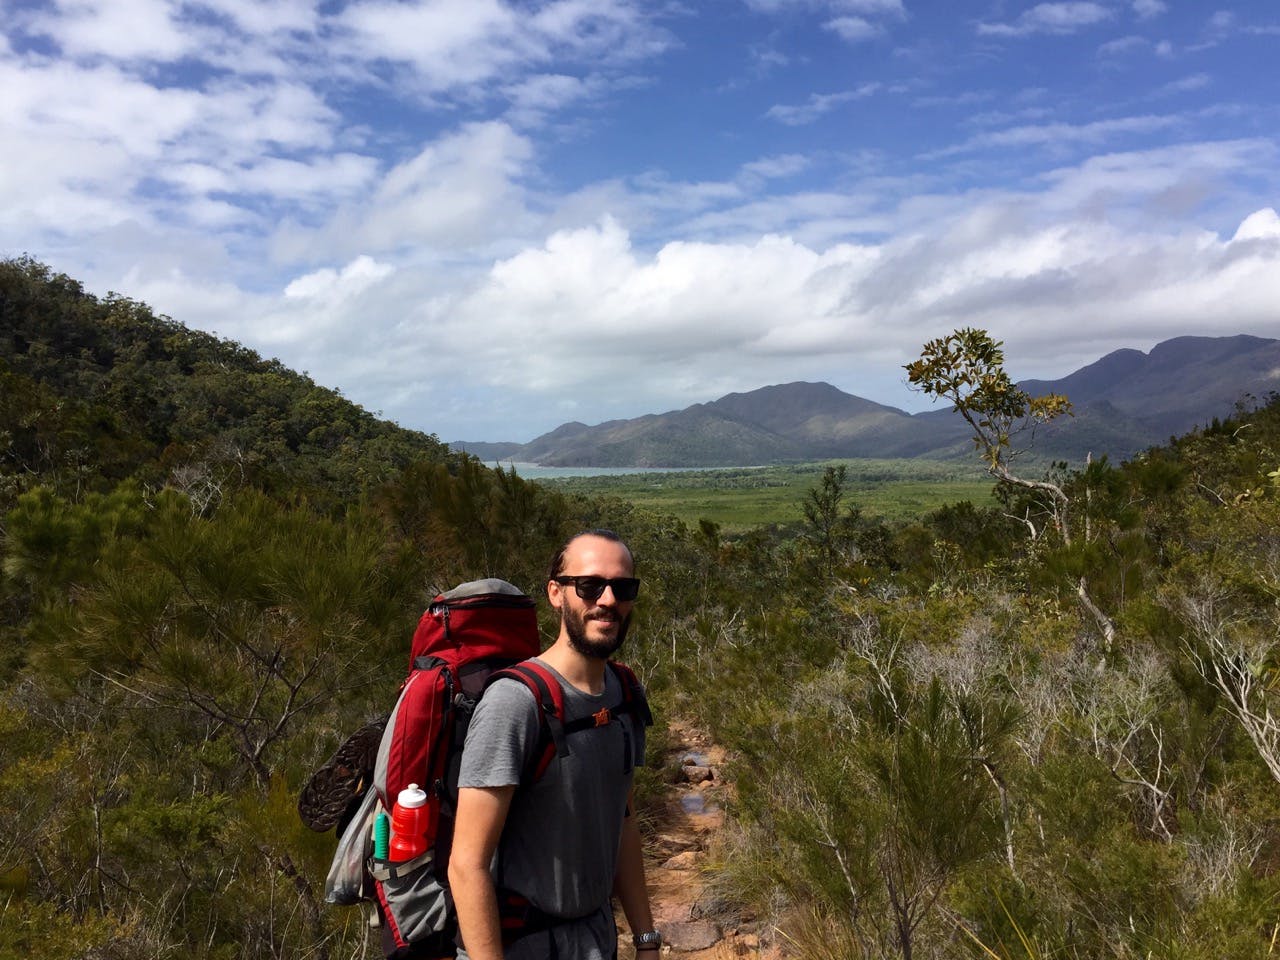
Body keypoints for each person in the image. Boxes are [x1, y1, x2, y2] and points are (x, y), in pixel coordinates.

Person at [448, 530, 661, 960]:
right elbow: (466, 865)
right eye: (588, 585)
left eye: (623, 587)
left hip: (597, 940)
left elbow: (623, 818)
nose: (607, 599)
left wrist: (645, 939)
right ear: (556, 593)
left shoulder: (623, 693)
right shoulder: (514, 703)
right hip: (522, 946)